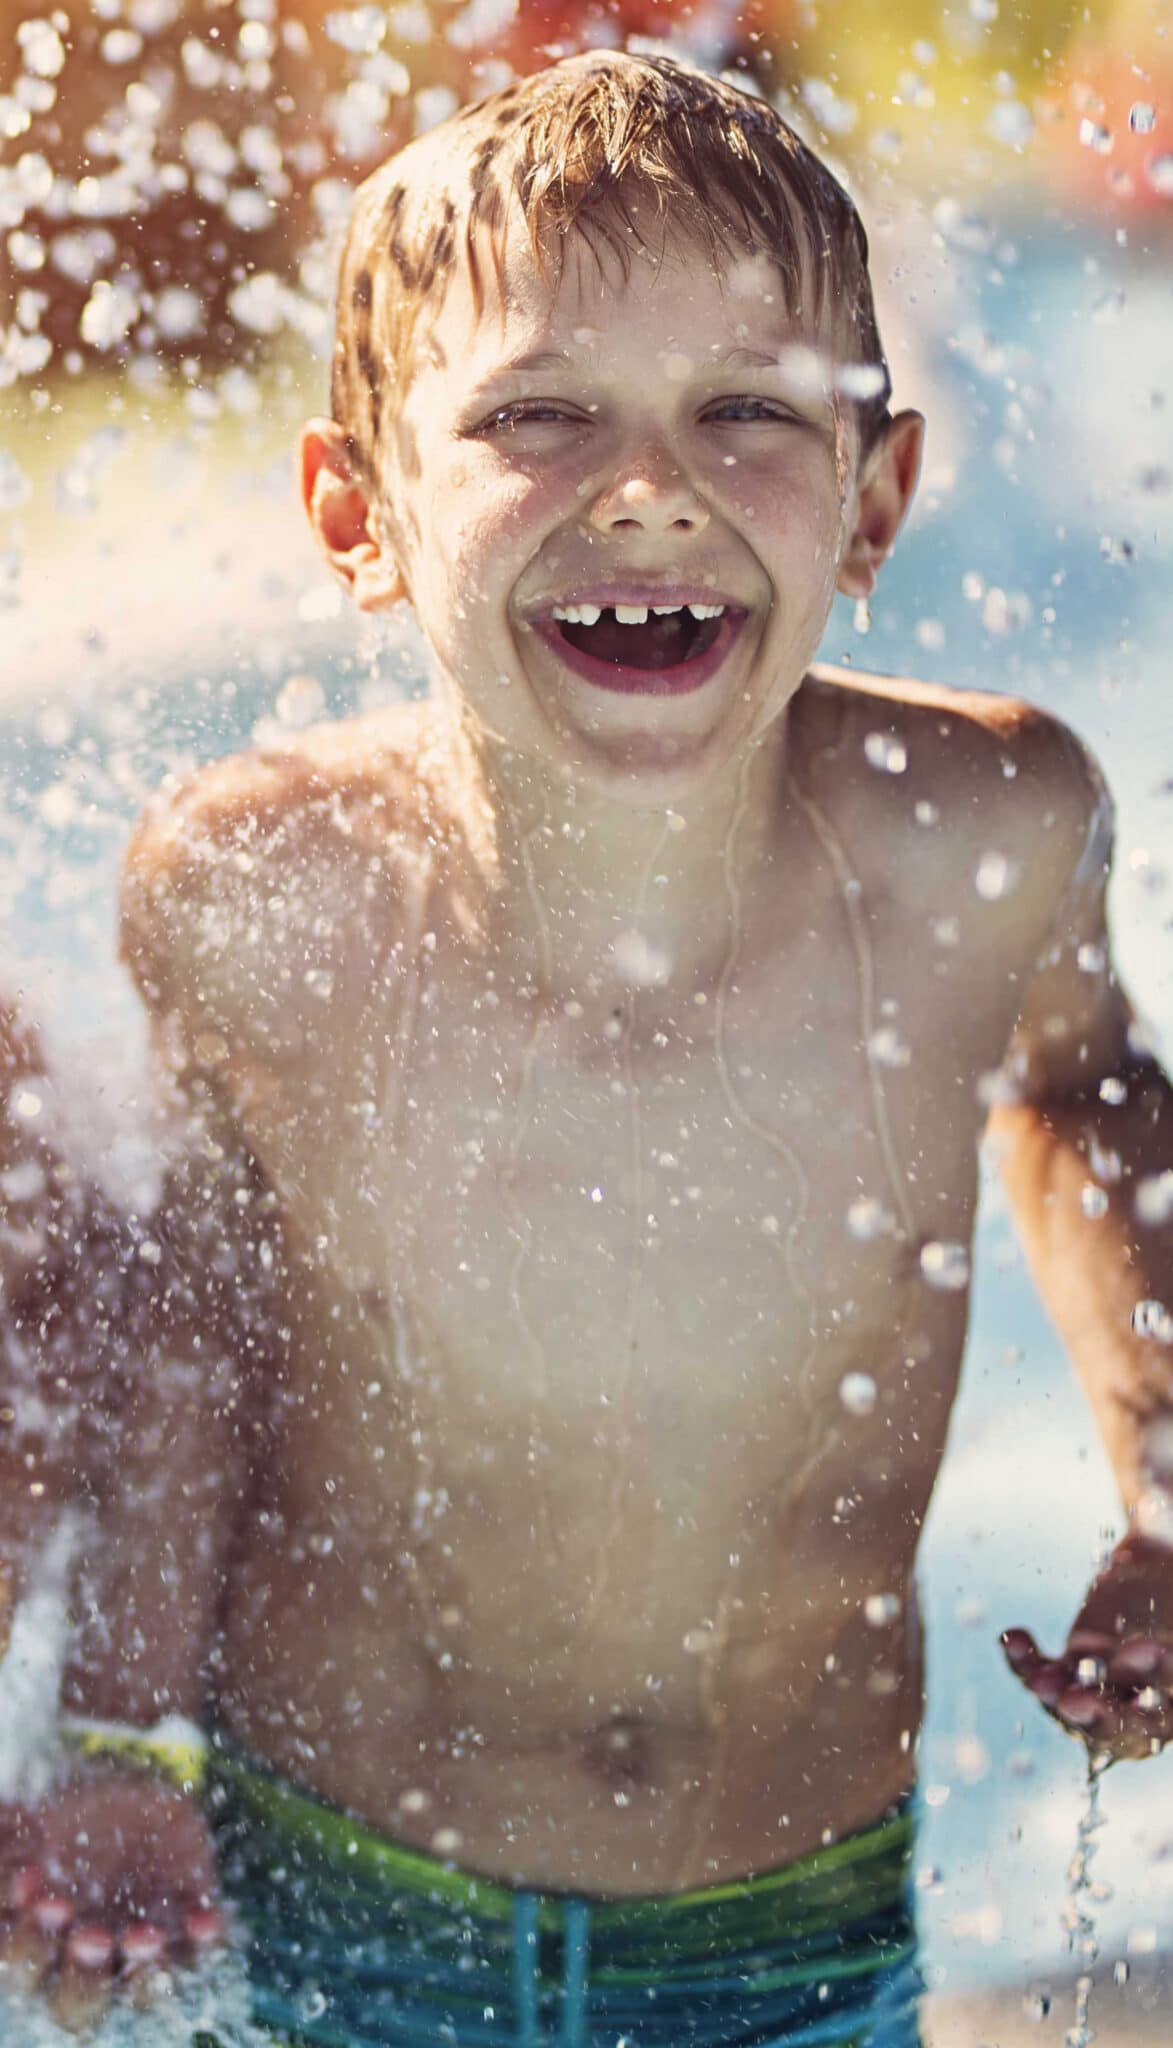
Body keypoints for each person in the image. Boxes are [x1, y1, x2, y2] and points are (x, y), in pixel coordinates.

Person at [2, 48, 1172, 2047]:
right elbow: (201, 1324)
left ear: (876, 491)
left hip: (791, 1916)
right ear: (357, 510)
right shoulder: (267, 884)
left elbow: (1081, 1099)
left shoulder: (974, 835)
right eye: (539, 414)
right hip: (344, 1904)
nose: (653, 483)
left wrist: (1158, 1488)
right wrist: (127, 1741)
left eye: (748, 411)